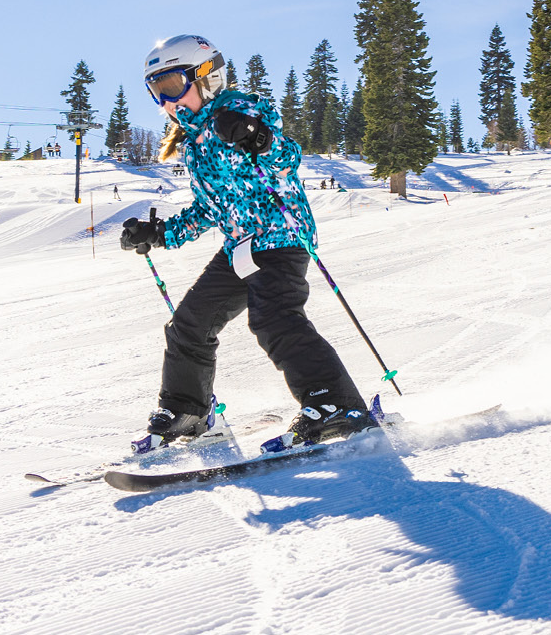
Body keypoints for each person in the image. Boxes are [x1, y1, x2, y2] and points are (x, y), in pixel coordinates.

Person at [120, 34, 377, 453]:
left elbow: (287, 156)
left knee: (274, 317)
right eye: (156, 91)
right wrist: (161, 233)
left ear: (206, 77)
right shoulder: (195, 143)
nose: (166, 101)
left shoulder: (244, 110)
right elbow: (208, 208)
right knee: (190, 323)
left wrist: (258, 138)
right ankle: (188, 412)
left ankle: (336, 406)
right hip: (240, 246)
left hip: (281, 234)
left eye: (170, 86)